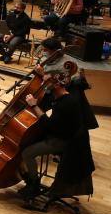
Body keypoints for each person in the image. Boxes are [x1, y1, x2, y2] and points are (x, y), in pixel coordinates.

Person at [18, 71, 87, 200]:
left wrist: (33, 105)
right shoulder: (62, 97)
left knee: (27, 153)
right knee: (27, 142)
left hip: (64, 142)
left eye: (46, 83)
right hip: (63, 135)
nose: (43, 85)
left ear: (55, 85)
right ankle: (29, 178)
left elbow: (49, 126)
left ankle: (34, 185)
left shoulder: (65, 104)